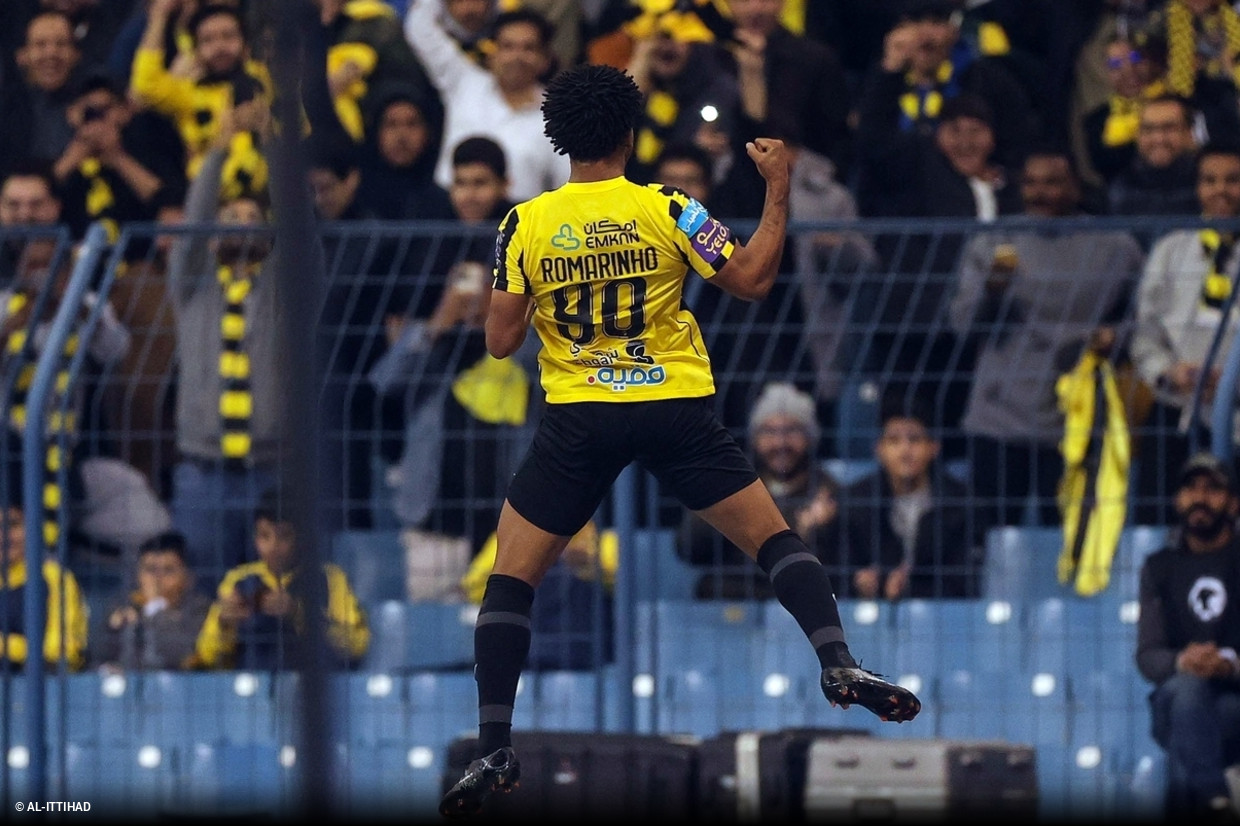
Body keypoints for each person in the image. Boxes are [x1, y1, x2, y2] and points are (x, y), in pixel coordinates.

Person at [438, 63, 919, 819]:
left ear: (558, 137)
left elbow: (500, 343)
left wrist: (559, 296)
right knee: (774, 539)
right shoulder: (668, 206)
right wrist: (778, 188)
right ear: (629, 133)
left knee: (511, 579)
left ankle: (495, 742)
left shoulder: (523, 224)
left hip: (579, 418)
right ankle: (837, 660)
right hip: (674, 406)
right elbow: (754, 279)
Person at [949, 147, 1144, 526]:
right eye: (1031, 183)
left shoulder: (1117, 247)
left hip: (1078, 417)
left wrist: (1116, 337)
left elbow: (1146, 317)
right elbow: (962, 325)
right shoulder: (993, 242)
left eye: (1052, 182)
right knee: (991, 535)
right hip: (999, 418)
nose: (1040, 193)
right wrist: (991, 290)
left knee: (1072, 539)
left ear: (1076, 186)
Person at [1131, 141, 1240, 526]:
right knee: (1158, 521)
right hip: (1176, 410)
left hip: (1237, 413)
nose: (1220, 190)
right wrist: (1170, 372)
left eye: (1233, 180)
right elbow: (1144, 335)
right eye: (1209, 180)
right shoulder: (1171, 249)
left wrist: (1230, 382)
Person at [1136, 452, 1240, 819]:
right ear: (1178, 500)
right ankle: (1216, 796)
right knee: (1187, 691)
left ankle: (1211, 801)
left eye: (1213, 489)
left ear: (1233, 503)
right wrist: (1184, 661)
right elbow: (1148, 656)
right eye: (1191, 489)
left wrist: (1227, 664)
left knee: (1190, 726)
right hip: (1176, 699)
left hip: (1233, 702)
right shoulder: (1158, 567)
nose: (1200, 498)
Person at [677, 381, 838, 600]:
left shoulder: (829, 491)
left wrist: (820, 532)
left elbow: (839, 572)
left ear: (810, 436)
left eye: (792, 430)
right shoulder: (733, 483)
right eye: (769, 431)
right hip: (736, 597)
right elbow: (688, 549)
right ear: (755, 438)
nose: (780, 442)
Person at [190, 488, 370, 670]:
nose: (273, 547)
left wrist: (297, 613)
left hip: (307, 685)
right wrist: (224, 624)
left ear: (301, 538)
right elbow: (206, 656)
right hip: (249, 687)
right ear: (254, 538)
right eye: (264, 536)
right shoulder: (238, 579)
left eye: (284, 536)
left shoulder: (329, 578)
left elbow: (356, 645)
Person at [830, 389, 983, 600]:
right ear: (879, 448)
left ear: (934, 447)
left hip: (940, 613)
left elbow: (964, 582)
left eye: (914, 439)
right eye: (894, 440)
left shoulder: (961, 504)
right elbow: (838, 575)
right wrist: (862, 585)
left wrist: (909, 588)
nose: (905, 450)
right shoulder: (854, 502)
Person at [462, 519, 618, 671]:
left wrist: (587, 564)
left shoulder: (604, 542)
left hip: (583, 653)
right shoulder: (507, 539)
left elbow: (621, 579)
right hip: (525, 650)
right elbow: (474, 587)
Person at [0, 482, 88, 673]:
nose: (2, 536)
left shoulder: (53, 578)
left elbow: (62, 653)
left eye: (12, 525)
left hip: (40, 689)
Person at [92, 530, 211, 670]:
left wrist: (154, 608)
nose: (157, 580)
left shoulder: (201, 609)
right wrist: (112, 630)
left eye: (168, 570)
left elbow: (178, 657)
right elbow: (95, 657)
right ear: (138, 575)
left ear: (188, 578)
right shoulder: (124, 604)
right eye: (150, 569)